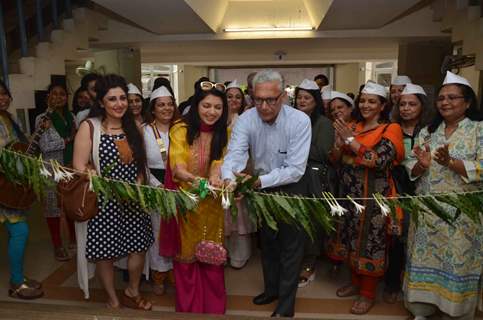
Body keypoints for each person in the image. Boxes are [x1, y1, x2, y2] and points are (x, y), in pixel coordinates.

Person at [222, 70, 312, 317]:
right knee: (268, 243)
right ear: (251, 96)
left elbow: (295, 169)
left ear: (283, 96)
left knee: (291, 248)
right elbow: (235, 155)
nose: (263, 106)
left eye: (270, 99)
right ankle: (271, 290)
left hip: (292, 187)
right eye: (258, 99)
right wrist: (230, 180)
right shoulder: (246, 119)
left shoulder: (299, 121)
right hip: (259, 187)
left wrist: (257, 182)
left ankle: (285, 306)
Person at [404, 71, 482, 320]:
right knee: (424, 259)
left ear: (467, 102)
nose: (445, 102)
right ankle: (421, 310)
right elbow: (411, 167)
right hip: (427, 213)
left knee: (457, 262)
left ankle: (454, 312)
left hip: (461, 216)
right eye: (441, 98)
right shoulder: (428, 131)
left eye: (452, 98)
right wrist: (422, 165)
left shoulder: (479, 130)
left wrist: (451, 162)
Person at [73, 74, 153, 309]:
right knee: (105, 253)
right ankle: (112, 297)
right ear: (101, 103)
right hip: (103, 202)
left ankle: (132, 290)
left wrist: (138, 184)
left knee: (138, 246)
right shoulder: (90, 127)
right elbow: (78, 165)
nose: (119, 104)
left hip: (132, 199)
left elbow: (141, 163)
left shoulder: (134, 126)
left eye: (122, 98)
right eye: (112, 99)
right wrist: (93, 176)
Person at [331, 81, 404, 315]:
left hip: (374, 198)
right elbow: (335, 159)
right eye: (362, 100)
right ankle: (355, 282)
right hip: (349, 197)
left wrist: (351, 141)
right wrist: (338, 142)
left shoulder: (390, 129)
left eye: (372, 101)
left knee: (371, 243)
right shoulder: (352, 125)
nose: (365, 105)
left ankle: (368, 293)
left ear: (382, 105)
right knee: (351, 238)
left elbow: (379, 159)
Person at [169, 82, 228, 314]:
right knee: (187, 255)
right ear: (196, 105)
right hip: (187, 202)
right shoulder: (179, 128)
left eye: (217, 107)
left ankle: (213, 308)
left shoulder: (225, 131)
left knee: (212, 252)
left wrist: (215, 176)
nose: (212, 112)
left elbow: (220, 161)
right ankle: (189, 309)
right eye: (206, 105)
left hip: (212, 203)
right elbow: (178, 167)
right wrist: (198, 182)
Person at [383, 83, 433, 304]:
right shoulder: (390, 128)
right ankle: (392, 282)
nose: (406, 108)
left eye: (412, 104)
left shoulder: (432, 131)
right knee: (396, 237)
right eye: (402, 104)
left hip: (425, 190)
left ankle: (419, 286)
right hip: (396, 189)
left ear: (422, 107)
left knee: (420, 239)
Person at [0, 80, 44, 299]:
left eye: (4, 93)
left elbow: (20, 149)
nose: (3, 98)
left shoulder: (10, 117)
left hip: (11, 188)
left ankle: (18, 278)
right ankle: (16, 283)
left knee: (16, 232)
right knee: (20, 231)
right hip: (4, 187)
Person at [293, 79, 334, 288]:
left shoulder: (324, 123)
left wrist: (295, 145)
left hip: (314, 179)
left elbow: (323, 153)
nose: (302, 101)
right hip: (291, 179)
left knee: (312, 222)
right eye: (299, 97)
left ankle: (309, 263)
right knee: (295, 221)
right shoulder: (289, 119)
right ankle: (295, 260)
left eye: (307, 97)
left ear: (316, 101)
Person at [144, 85, 180, 295]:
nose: (166, 108)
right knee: (159, 232)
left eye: (169, 104)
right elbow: (141, 165)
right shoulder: (145, 130)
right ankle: (159, 274)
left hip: (180, 187)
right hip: (156, 187)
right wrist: (157, 186)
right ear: (153, 108)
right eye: (161, 105)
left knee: (178, 231)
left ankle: (176, 271)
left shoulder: (182, 128)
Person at [36, 83, 76, 262]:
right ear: (48, 97)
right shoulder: (42, 118)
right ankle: (57, 244)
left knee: (70, 205)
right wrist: (68, 140)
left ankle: (74, 240)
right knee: (53, 207)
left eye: (62, 94)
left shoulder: (71, 116)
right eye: (55, 94)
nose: (59, 97)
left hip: (70, 166)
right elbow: (45, 146)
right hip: (51, 168)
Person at [223, 79, 254, 269]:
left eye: (237, 97)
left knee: (239, 216)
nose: (233, 100)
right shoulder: (215, 118)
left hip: (240, 171)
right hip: (218, 174)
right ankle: (221, 253)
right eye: (229, 96)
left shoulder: (247, 119)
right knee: (222, 215)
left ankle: (239, 255)